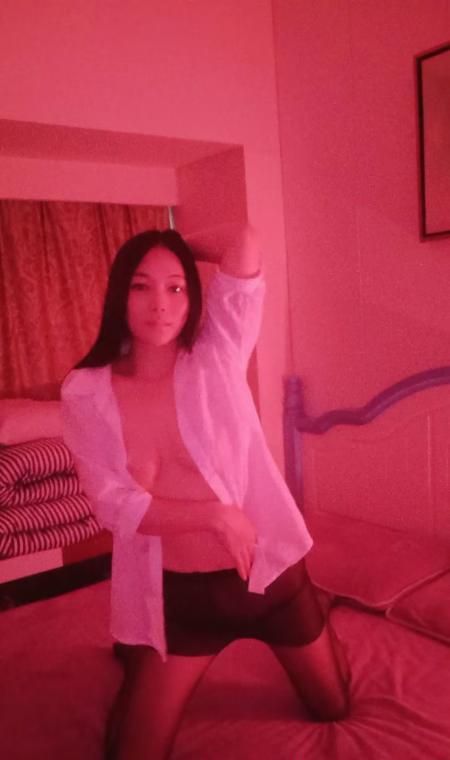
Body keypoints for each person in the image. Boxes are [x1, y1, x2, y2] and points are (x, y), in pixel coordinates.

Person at [60, 224, 350, 760]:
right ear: (119, 293)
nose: (160, 304)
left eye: (176, 288)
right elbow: (110, 504)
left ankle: (317, 608)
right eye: (141, 285)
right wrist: (215, 515)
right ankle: (141, 658)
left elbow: (244, 244)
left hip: (268, 583)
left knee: (332, 707)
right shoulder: (87, 391)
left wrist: (176, 244)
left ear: (193, 296)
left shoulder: (217, 353)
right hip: (183, 598)